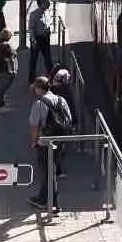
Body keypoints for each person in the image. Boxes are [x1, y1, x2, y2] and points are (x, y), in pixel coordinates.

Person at [28, 77, 72, 210]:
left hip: (46, 141)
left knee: (48, 171)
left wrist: (34, 142)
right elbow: (69, 119)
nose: (34, 90)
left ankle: (54, 205)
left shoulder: (39, 104)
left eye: (35, 87)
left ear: (40, 89)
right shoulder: (61, 99)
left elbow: (34, 126)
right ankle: (42, 198)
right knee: (50, 170)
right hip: (62, 140)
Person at [28, 0, 55, 80]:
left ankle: (51, 77)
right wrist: (33, 40)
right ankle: (31, 79)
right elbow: (31, 28)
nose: (48, 5)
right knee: (33, 60)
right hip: (37, 39)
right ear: (41, 3)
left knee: (48, 59)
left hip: (45, 39)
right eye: (46, 3)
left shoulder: (46, 12)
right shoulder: (34, 14)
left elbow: (48, 24)